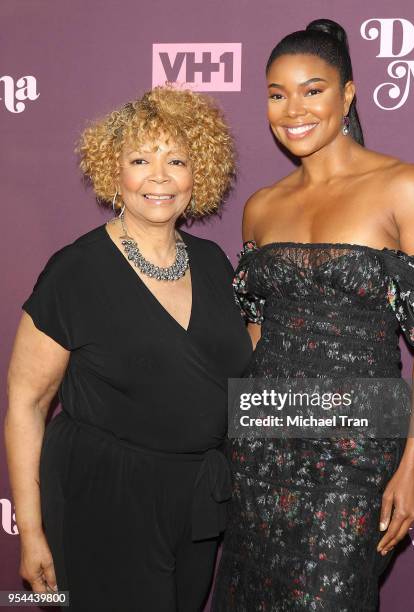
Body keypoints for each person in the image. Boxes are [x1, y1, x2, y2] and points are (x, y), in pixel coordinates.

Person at [211, 18, 414, 611]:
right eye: (277, 94)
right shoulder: (261, 207)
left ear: (347, 94)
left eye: (313, 90)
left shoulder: (404, 187)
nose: (292, 109)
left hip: (355, 449)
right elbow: (253, 333)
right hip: (260, 442)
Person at [5, 85, 252, 611]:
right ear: (113, 173)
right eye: (140, 159)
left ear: (198, 174)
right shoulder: (75, 272)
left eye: (177, 160)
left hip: (197, 500)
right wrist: (30, 531)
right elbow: (26, 404)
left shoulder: (214, 264)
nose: (159, 177)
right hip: (102, 495)